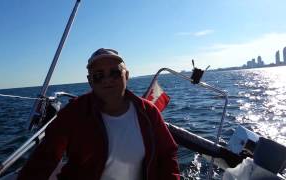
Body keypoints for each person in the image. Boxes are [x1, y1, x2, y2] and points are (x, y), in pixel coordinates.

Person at [18, 48, 180, 180]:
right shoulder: (74, 113)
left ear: (127, 76)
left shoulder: (148, 112)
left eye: (115, 73)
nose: (107, 79)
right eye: (99, 75)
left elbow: (167, 155)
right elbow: (46, 157)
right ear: (90, 81)